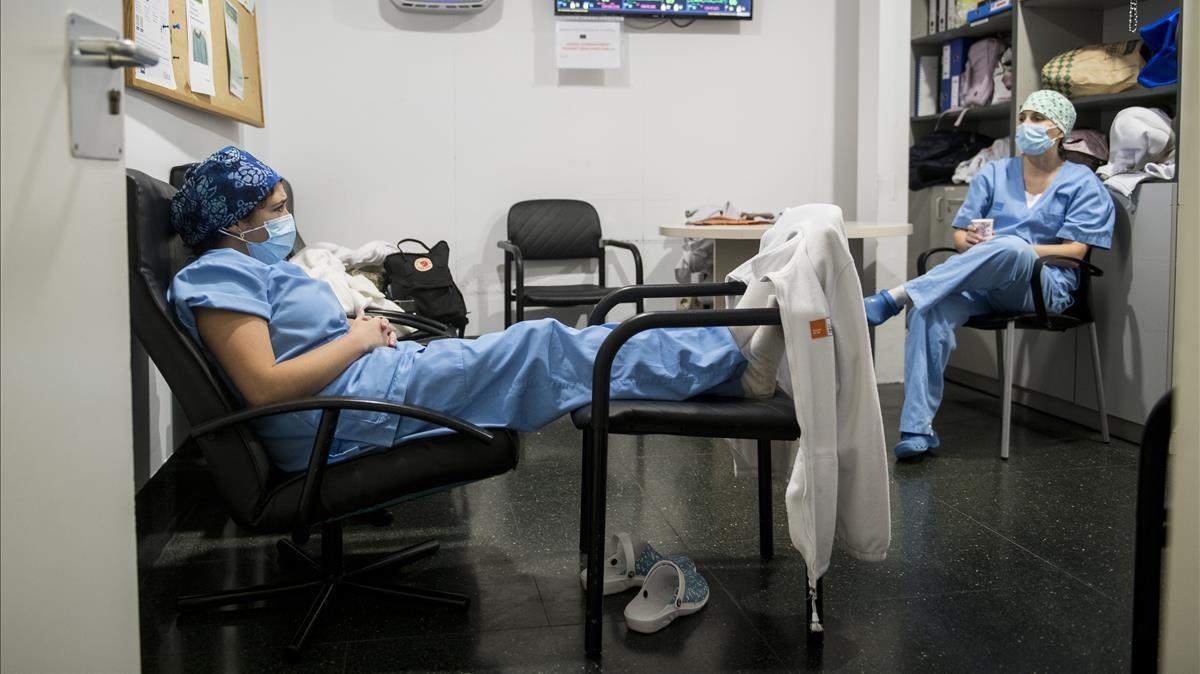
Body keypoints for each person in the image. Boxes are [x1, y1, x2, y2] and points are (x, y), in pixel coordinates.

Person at [167, 147, 786, 472]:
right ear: (232, 222)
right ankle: (731, 358)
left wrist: (359, 334)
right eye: (274, 210)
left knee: (553, 345)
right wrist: (355, 340)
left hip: (366, 389)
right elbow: (262, 387)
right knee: (545, 344)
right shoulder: (218, 272)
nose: (286, 219)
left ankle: (728, 360)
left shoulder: (250, 266)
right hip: (344, 417)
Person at [862, 90, 1115, 460]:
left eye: (1036, 119)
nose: (1026, 125)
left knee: (1012, 247)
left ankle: (897, 295)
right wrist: (976, 242)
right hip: (985, 284)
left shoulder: (1083, 182)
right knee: (929, 309)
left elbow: (1075, 252)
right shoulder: (994, 172)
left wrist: (1014, 248)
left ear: (1059, 131)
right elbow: (961, 236)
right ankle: (917, 429)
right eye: (1023, 117)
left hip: (1043, 287)